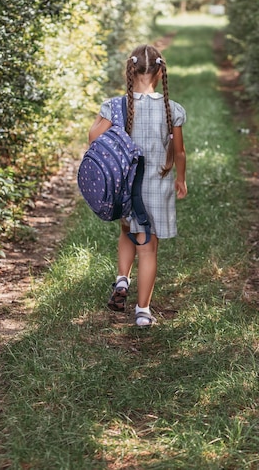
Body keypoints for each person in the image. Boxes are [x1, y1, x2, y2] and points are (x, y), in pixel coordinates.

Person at [88, 44, 187, 326]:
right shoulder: (171, 110)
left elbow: (94, 138)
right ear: (159, 73)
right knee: (148, 248)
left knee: (126, 229)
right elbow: (179, 152)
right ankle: (143, 311)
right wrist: (180, 178)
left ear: (130, 71)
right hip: (156, 188)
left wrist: (105, 124)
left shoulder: (115, 106)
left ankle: (122, 279)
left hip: (123, 186)